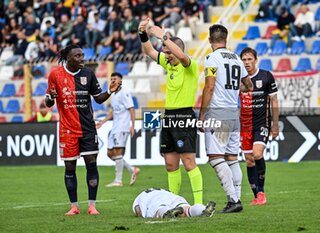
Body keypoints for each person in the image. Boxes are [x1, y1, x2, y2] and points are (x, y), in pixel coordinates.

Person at [45, 44, 121, 216]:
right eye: (78, 56)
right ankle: (74, 206)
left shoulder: (88, 74)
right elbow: (48, 102)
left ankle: (92, 205)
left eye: (82, 55)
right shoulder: (55, 75)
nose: (82, 59)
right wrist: (50, 98)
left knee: (91, 164)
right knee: (70, 167)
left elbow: (99, 99)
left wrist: (110, 90)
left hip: (88, 128)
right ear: (68, 58)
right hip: (67, 129)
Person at [138, 18, 203, 204]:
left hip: (184, 115)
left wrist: (163, 37)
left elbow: (181, 57)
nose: (165, 55)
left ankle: (198, 203)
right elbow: (150, 50)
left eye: (168, 52)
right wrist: (143, 33)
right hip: (169, 117)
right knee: (170, 164)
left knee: (189, 162)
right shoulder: (169, 65)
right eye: (165, 52)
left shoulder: (190, 65)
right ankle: (174, 202)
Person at [199, 24, 253, 213]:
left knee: (215, 157)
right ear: (226, 39)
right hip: (233, 113)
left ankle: (233, 200)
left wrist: (202, 115)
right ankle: (236, 200)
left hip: (218, 113)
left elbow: (209, 87)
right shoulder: (236, 59)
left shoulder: (211, 59)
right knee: (232, 158)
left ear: (209, 40)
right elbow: (249, 85)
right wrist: (235, 89)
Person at [239, 47, 279, 205]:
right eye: (244, 60)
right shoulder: (239, 80)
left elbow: (274, 101)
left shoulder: (266, 76)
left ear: (255, 60)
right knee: (249, 160)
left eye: (250, 59)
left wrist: (275, 125)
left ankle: (261, 192)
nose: (247, 62)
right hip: (245, 125)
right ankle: (257, 196)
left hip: (262, 122)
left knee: (257, 154)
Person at [96, 72, 140, 187]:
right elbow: (113, 112)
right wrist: (103, 121)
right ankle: (132, 170)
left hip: (122, 126)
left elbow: (131, 109)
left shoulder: (124, 93)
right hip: (115, 127)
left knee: (117, 152)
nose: (113, 81)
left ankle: (118, 180)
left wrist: (132, 125)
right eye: (111, 79)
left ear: (121, 80)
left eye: (115, 79)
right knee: (110, 153)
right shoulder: (113, 95)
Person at [132, 188, 216, 218]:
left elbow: (137, 209)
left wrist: (139, 215)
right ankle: (203, 209)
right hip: (172, 196)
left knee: (159, 210)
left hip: (156, 200)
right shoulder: (161, 190)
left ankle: (167, 212)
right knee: (187, 210)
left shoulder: (140, 198)